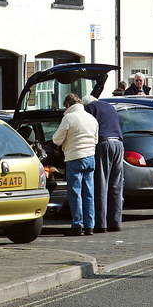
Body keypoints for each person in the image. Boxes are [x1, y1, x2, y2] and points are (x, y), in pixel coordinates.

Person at [52, 93, 98, 236]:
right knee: (89, 193)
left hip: (74, 157)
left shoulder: (68, 118)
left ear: (67, 105)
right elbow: (96, 139)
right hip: (90, 157)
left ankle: (77, 226)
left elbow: (56, 139)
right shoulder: (91, 118)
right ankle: (90, 226)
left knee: (75, 193)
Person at [82, 95, 124, 233]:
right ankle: (116, 222)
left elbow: (87, 127)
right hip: (118, 143)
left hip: (104, 143)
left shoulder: (89, 108)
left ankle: (101, 224)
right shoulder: (109, 106)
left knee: (101, 184)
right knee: (116, 185)